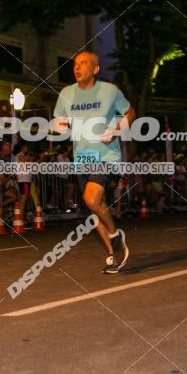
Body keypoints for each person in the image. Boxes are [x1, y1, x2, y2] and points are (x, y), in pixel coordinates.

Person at [52, 51, 134, 273]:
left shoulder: (110, 91)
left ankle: (116, 234)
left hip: (105, 155)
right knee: (94, 208)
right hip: (82, 158)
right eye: (75, 64)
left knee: (91, 198)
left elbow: (130, 112)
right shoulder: (66, 94)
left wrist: (116, 131)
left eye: (83, 64)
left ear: (96, 69)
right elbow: (59, 120)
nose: (77, 68)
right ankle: (112, 254)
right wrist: (59, 126)